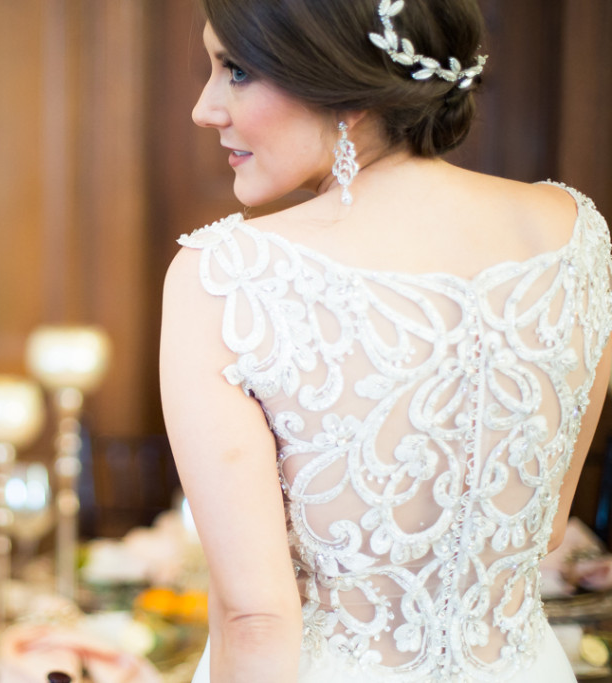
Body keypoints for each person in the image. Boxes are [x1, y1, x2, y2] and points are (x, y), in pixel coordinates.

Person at [159, 0, 612, 681]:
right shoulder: (577, 235)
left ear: (338, 76)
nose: (204, 107)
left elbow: (256, 616)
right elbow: (544, 529)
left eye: (237, 70)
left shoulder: (226, 276)